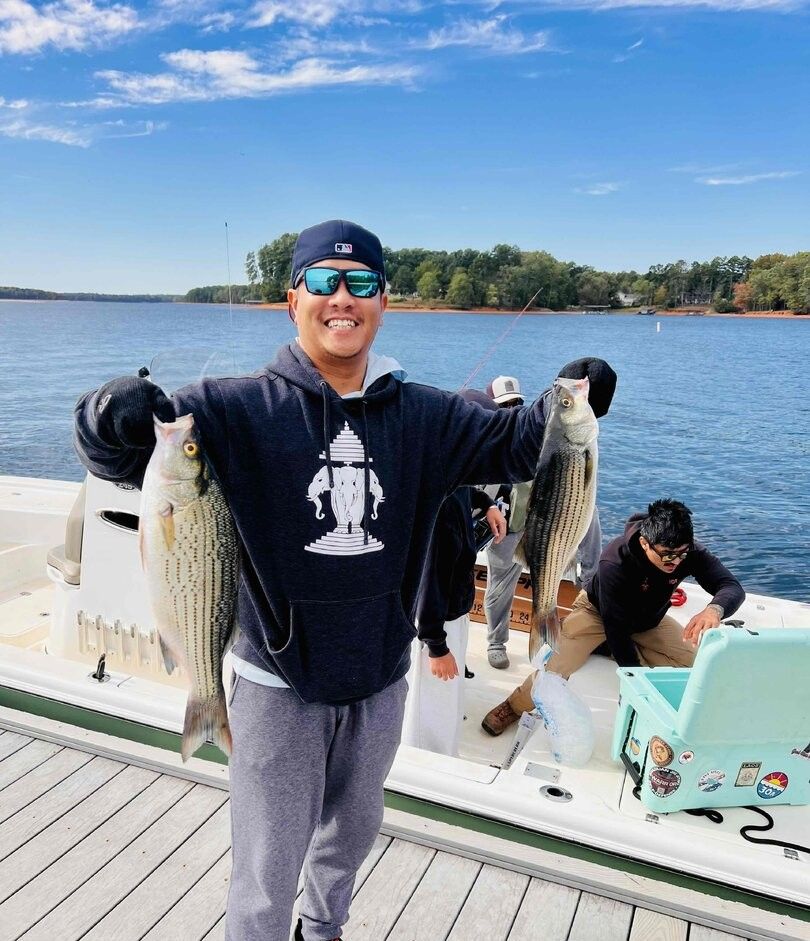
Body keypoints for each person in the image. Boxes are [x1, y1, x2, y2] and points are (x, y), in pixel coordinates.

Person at [73, 219, 566, 941]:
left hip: (378, 679)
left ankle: (321, 930)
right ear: (293, 298)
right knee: (266, 867)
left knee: (350, 839)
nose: (344, 297)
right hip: (276, 685)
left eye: (361, 282)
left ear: (383, 300)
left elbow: (519, 445)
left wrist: (566, 399)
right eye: (325, 282)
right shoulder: (229, 407)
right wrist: (109, 413)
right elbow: (115, 452)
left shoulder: (423, 412)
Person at [482, 498, 745, 736]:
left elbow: (731, 587)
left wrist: (714, 609)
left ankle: (610, 652)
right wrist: (636, 683)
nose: (674, 562)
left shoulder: (688, 553)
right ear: (645, 543)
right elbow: (615, 627)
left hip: (648, 621)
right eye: (666, 555)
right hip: (598, 613)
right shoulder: (614, 561)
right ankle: (513, 706)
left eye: (681, 554)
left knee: (696, 663)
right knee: (558, 664)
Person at [483, 360, 617, 670]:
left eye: (516, 402)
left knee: (591, 562)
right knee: (500, 585)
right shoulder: (493, 433)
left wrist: (571, 388)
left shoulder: (541, 423)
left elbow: (558, 408)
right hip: (509, 520)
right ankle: (496, 641)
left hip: (556, 514)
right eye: (503, 405)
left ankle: (586, 628)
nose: (511, 409)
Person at [402, 390, 507, 757]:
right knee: (430, 704)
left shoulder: (447, 473)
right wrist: (437, 646)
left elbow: (465, 491)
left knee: (444, 695)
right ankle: (427, 761)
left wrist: (487, 503)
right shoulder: (440, 508)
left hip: (450, 611)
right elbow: (428, 577)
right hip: (435, 621)